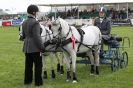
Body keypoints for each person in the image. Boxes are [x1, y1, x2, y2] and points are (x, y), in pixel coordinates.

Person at [21, 4, 45, 87]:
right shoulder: (35, 22)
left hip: (26, 47)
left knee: (28, 66)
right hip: (35, 48)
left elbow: (23, 35)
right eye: (37, 12)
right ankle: (38, 82)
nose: (37, 13)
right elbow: (37, 37)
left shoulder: (24, 22)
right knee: (38, 65)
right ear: (34, 12)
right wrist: (42, 47)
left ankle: (27, 81)